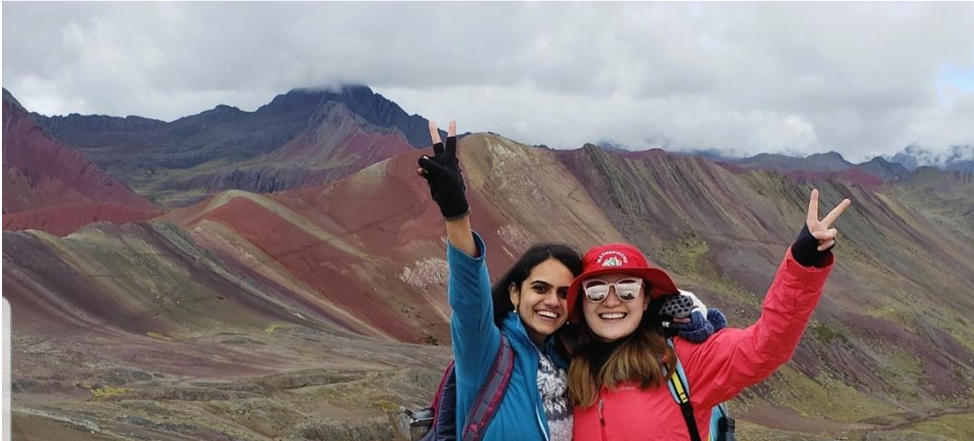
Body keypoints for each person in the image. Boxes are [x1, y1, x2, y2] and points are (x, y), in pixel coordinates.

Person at [416, 120, 724, 441]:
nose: (552, 301)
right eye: (540, 288)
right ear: (515, 293)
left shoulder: (570, 360)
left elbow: (615, 320)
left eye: (564, 292)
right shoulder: (487, 352)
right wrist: (456, 214)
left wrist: (662, 314)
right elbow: (469, 299)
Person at [566, 189, 850, 440]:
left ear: (646, 299)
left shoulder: (683, 360)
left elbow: (765, 346)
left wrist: (802, 263)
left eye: (627, 289)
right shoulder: (565, 364)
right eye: (596, 291)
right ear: (582, 302)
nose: (611, 301)